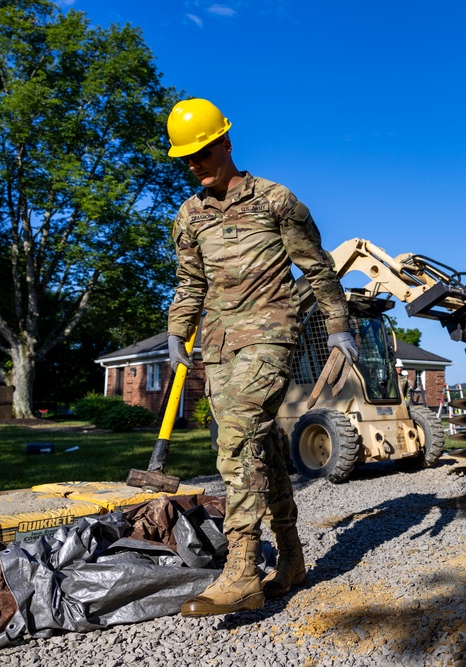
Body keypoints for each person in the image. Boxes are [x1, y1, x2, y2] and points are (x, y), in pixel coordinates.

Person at [164, 98, 358, 616]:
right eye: (186, 157)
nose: (195, 164)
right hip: (219, 345)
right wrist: (178, 332)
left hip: (272, 336)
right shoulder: (189, 215)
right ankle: (291, 558)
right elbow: (189, 281)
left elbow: (317, 268)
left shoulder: (276, 200)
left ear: (225, 143)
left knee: (235, 439)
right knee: (261, 447)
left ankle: (243, 571)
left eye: (202, 152)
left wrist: (338, 326)